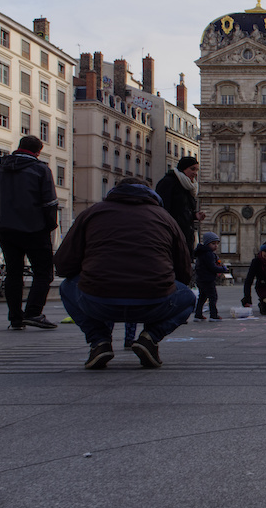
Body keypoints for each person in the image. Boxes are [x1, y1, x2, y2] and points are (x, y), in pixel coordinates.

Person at [54, 177, 196, 370]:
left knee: (67, 286)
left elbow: (63, 265)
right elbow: (184, 271)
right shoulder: (166, 218)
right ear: (151, 194)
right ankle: (150, 338)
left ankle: (99, 341)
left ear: (115, 192)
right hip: (153, 302)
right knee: (187, 297)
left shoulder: (91, 213)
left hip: (99, 300)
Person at [0, 135, 59, 331]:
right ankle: (33, 312)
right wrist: (49, 226)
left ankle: (16, 318)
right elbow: (50, 203)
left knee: (13, 273)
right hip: (34, 228)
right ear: (38, 152)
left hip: (5, 229)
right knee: (43, 272)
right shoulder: (41, 170)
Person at [155, 155, 206, 250]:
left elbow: (183, 211)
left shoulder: (189, 186)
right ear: (183, 169)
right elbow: (163, 210)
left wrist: (195, 216)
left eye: (197, 170)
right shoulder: (168, 183)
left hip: (185, 235)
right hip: (173, 235)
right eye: (192, 169)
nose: (195, 173)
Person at [194, 231, 225, 321]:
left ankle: (198, 314)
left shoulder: (202, 253)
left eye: (217, 244)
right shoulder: (208, 254)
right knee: (213, 296)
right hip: (207, 279)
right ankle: (213, 315)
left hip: (200, 279)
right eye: (213, 243)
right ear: (207, 244)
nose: (216, 246)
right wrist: (223, 269)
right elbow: (212, 267)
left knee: (202, 297)